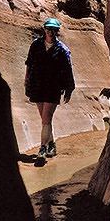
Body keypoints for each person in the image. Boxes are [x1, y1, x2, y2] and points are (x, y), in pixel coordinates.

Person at [24, 17, 75, 159]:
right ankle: (52, 145)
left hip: (53, 88)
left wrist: (69, 89)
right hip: (38, 85)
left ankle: (42, 149)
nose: (50, 32)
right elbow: (29, 62)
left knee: (46, 118)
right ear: (44, 30)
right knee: (44, 119)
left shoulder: (63, 50)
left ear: (57, 31)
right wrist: (26, 79)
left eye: (53, 30)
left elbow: (68, 70)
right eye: (48, 29)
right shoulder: (36, 45)